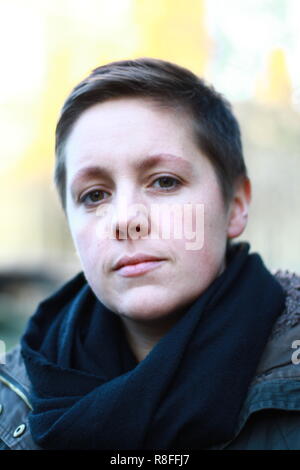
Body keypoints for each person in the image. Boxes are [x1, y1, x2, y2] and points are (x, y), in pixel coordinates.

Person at [0, 58, 300, 451]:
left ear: (236, 204)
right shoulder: (11, 404)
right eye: (94, 195)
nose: (126, 220)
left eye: (164, 182)